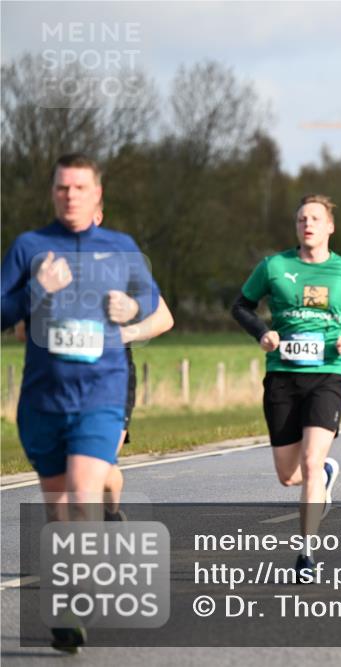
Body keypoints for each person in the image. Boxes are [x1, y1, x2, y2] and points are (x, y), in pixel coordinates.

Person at [0, 153, 161, 652]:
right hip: (44, 400)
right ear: (53, 194)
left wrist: (132, 307)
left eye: (80, 188)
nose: (70, 195)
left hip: (101, 392)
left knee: (80, 495)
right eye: (62, 188)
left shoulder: (120, 247)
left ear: (98, 197)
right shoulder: (30, 247)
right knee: (58, 508)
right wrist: (34, 293)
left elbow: (152, 301)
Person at [231, 194, 341, 575]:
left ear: (330, 226)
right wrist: (262, 333)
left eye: (314, 218)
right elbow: (241, 306)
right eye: (301, 219)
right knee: (288, 475)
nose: (307, 224)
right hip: (282, 375)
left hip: (328, 374)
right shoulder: (274, 266)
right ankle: (327, 473)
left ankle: (306, 555)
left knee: (310, 464)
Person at [11, 204, 175, 521]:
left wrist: (128, 331)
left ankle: (111, 512)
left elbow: (164, 316)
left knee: (105, 472)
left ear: (98, 216)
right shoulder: (48, 264)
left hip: (111, 377)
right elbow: (21, 330)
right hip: (61, 381)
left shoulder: (119, 261)